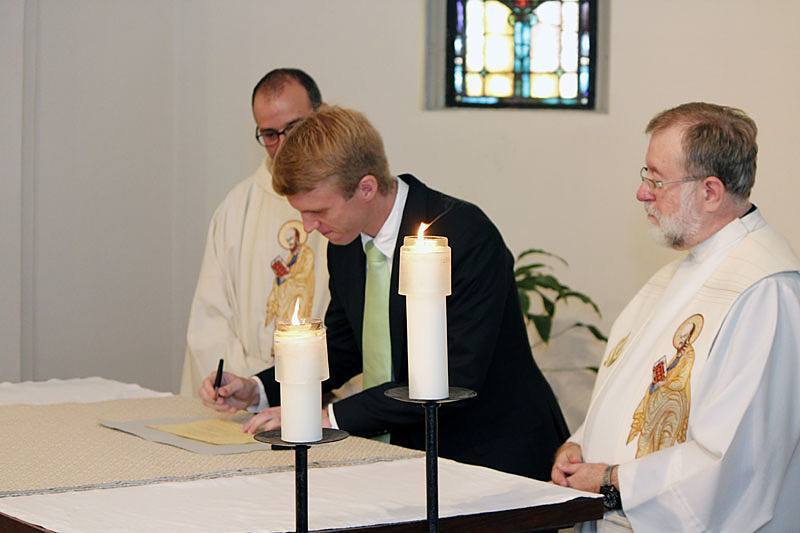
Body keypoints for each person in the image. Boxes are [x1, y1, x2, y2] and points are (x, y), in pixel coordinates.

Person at [201, 105, 569, 480]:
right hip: (406, 456)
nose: (308, 227)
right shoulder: (344, 244)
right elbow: (344, 346)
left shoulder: (464, 235)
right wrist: (258, 388)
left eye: (319, 211)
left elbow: (455, 374)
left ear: (366, 188)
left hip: (491, 454)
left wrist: (326, 417)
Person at [551, 102, 800, 531]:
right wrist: (579, 445)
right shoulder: (679, 273)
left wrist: (613, 483)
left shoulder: (764, 291)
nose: (642, 192)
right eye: (645, 175)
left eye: (657, 179)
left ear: (710, 191)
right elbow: (631, 386)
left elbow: (737, 459)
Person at [179, 69, 329, 395]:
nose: (284, 144)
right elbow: (211, 319)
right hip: (250, 399)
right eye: (271, 134)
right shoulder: (236, 210)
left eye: (295, 127)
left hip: (330, 393)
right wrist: (251, 388)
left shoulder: (348, 202)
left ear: (322, 116)